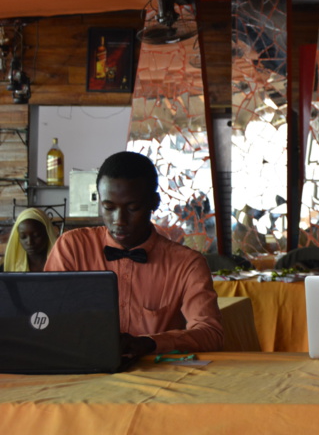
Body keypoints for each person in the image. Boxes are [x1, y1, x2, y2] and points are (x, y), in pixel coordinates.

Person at [45, 151, 223, 357]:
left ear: (154, 203)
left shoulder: (187, 264)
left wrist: (151, 343)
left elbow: (211, 334)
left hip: (158, 380)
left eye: (133, 208)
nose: (119, 220)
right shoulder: (72, 248)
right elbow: (48, 318)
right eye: (109, 207)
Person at [2, 208, 59, 272]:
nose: (29, 242)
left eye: (36, 235)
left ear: (48, 233)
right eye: (23, 237)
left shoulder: (62, 264)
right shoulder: (12, 268)